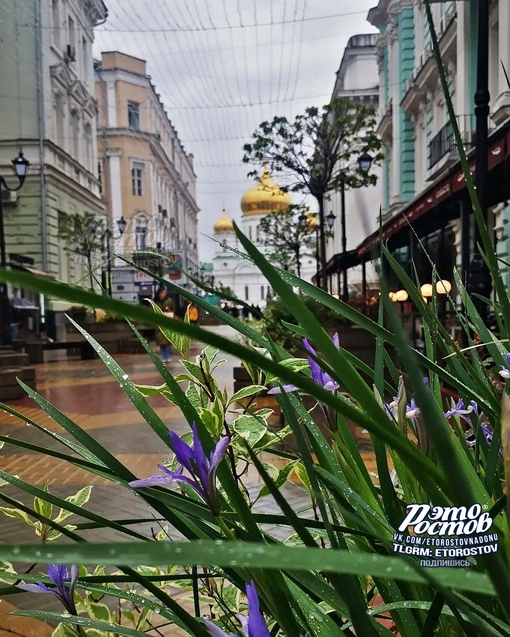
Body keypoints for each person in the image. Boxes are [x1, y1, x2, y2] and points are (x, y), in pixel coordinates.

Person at [153, 287, 175, 363]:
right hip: (159, 323)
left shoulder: (169, 301)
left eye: (165, 293)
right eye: (162, 293)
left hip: (168, 321)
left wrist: (169, 310)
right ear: (158, 294)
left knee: (168, 340)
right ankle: (163, 356)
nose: (164, 294)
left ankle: (168, 356)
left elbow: (174, 309)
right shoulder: (155, 302)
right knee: (161, 342)